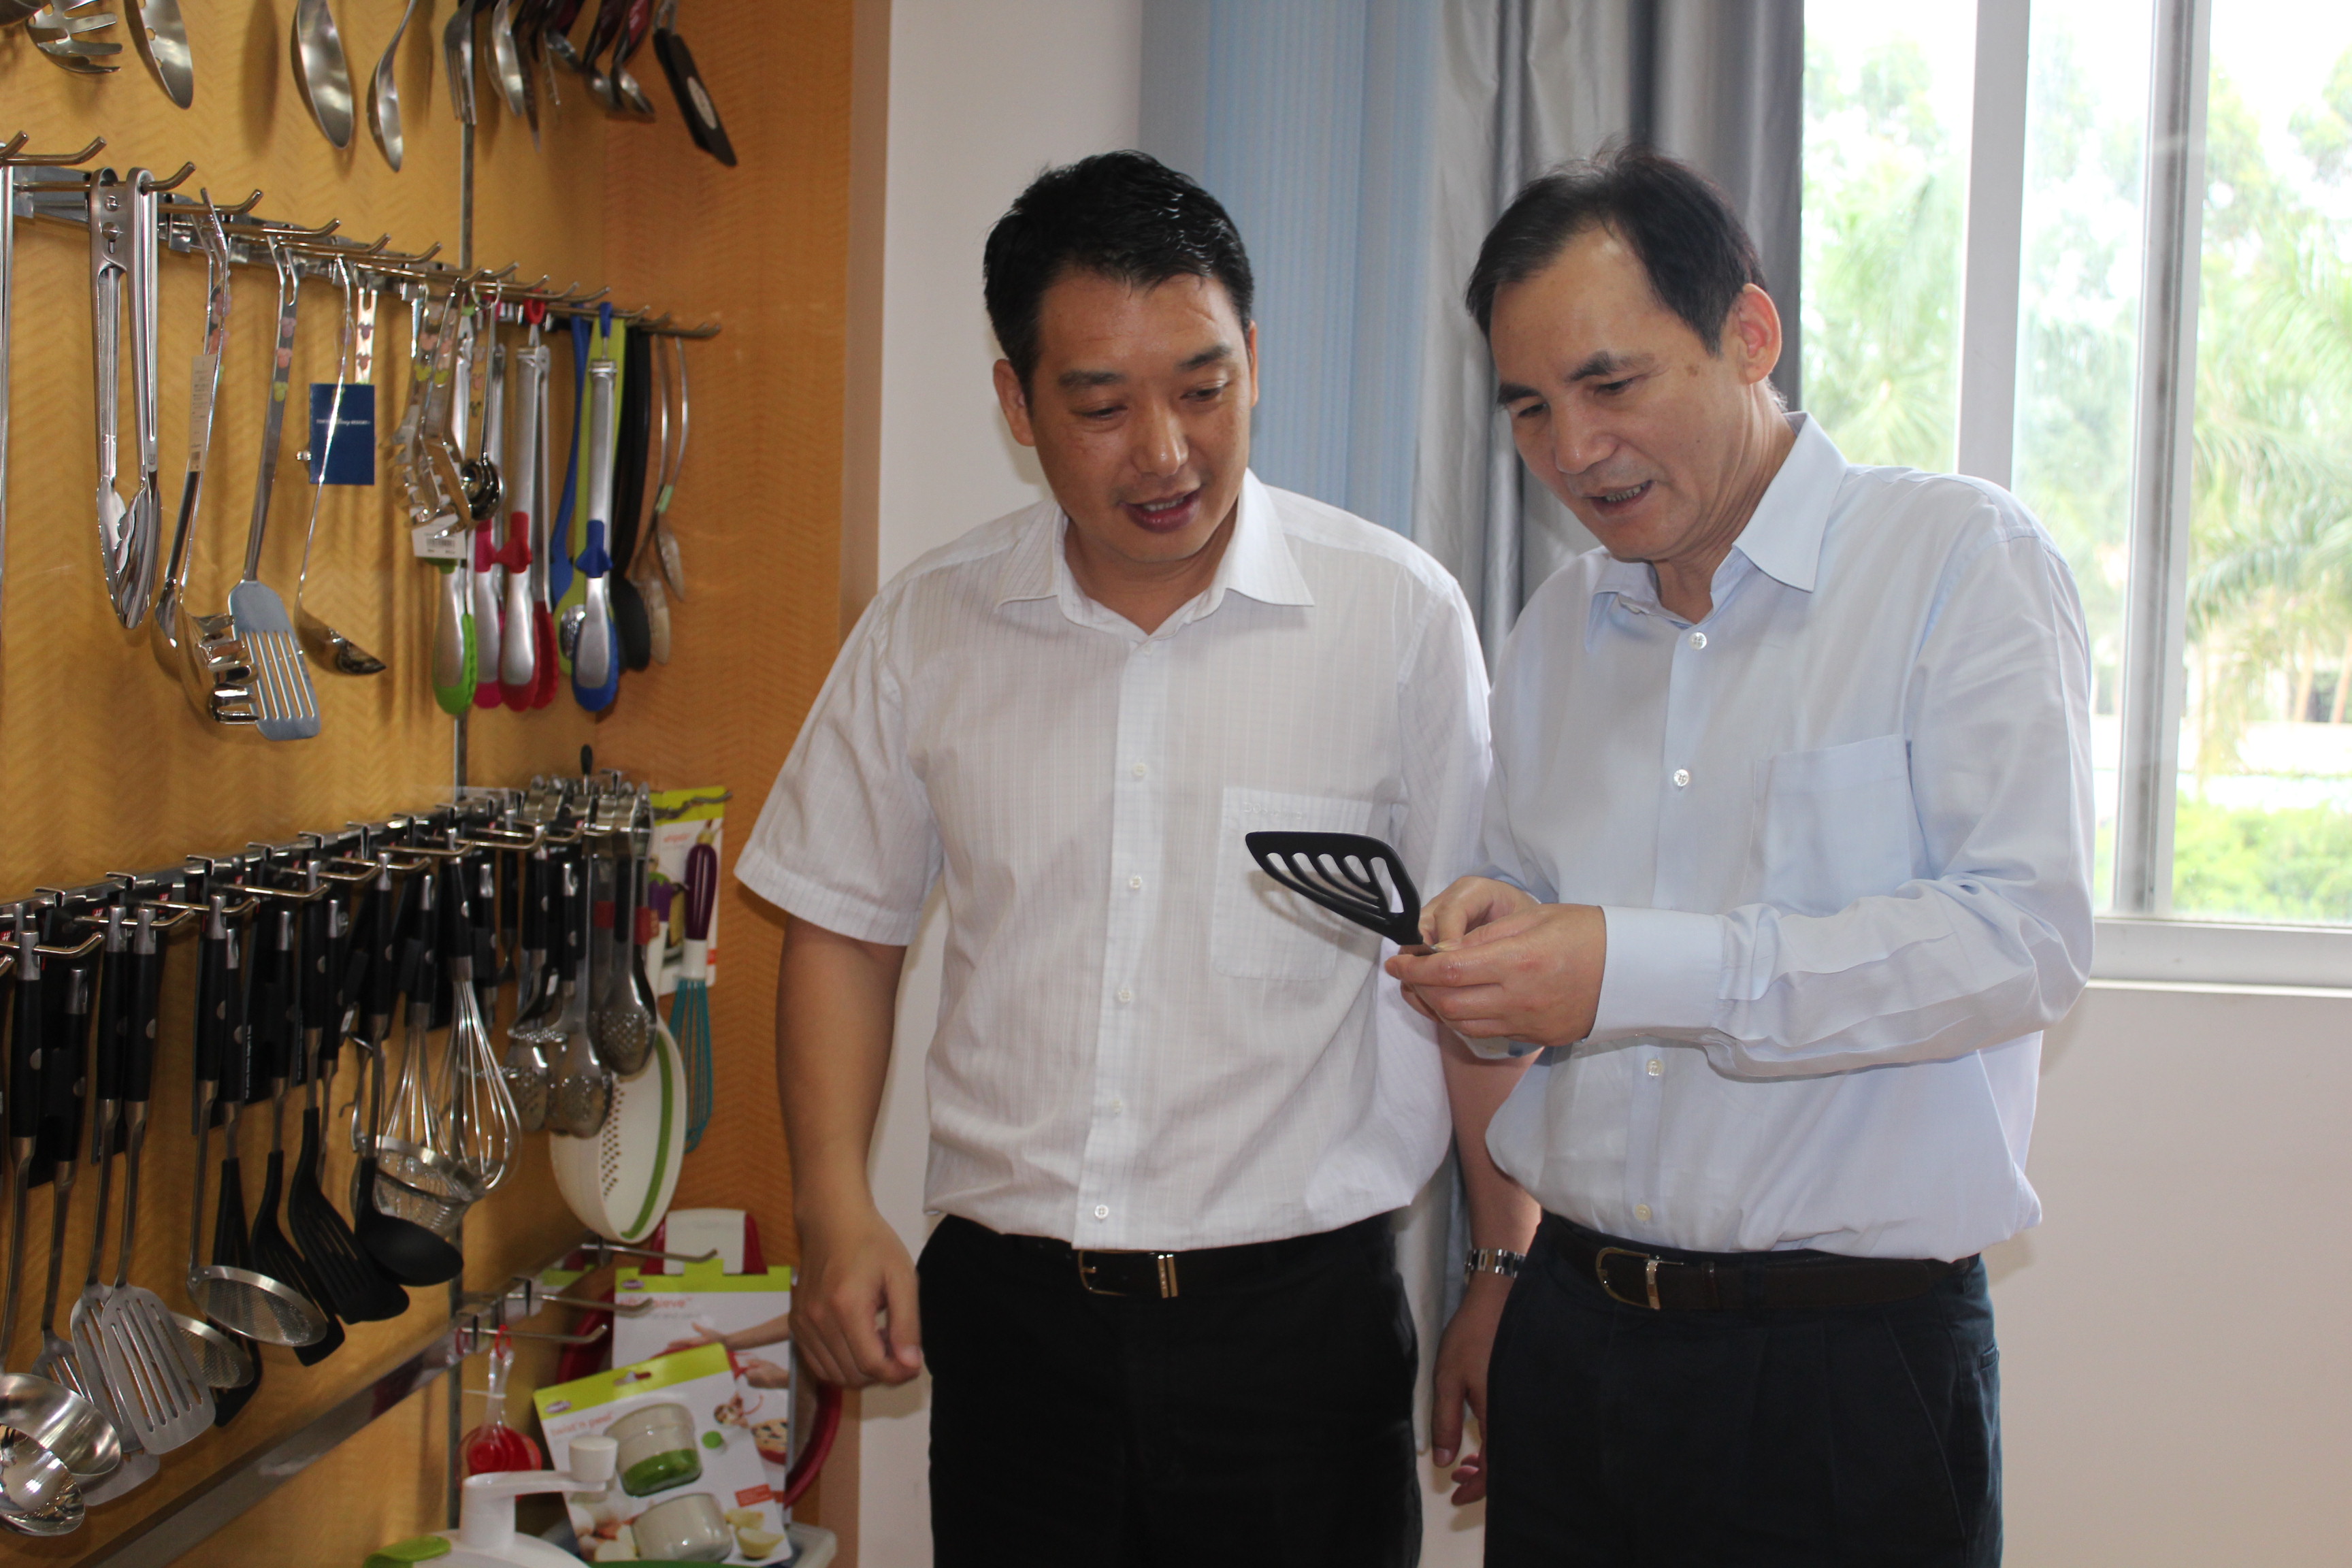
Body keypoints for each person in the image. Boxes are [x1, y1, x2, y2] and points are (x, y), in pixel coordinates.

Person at [736, 150, 1507, 1567]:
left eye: (1204, 389)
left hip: (1301, 1329)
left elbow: (1477, 969)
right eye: (1100, 405)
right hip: (1015, 1323)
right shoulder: (930, 626)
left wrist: (1503, 1264)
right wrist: (834, 1206)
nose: (1164, 451)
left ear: (1256, 360)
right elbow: (846, 924)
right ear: (1016, 403)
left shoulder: (1395, 619)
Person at [1390, 146, 2095, 1567]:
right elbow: (1538, 934)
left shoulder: (1954, 562)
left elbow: (2022, 943)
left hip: (1846, 1368)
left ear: (1751, 335)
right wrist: (1496, 950)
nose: (1573, 448)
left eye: (1612, 383)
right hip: (1577, 1332)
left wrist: (1629, 967)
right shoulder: (1557, 629)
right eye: (1530, 407)